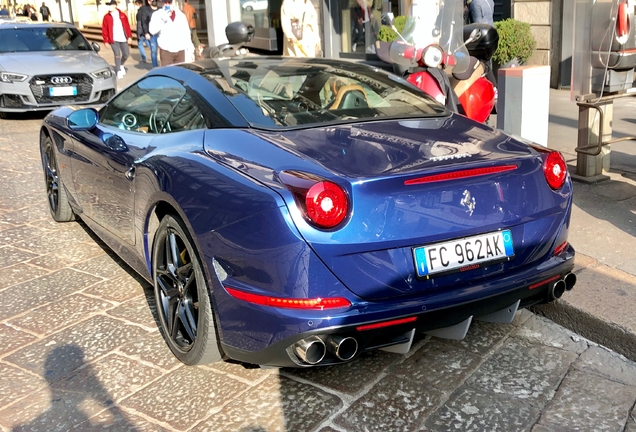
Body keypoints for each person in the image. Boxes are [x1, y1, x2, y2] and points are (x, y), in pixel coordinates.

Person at [149, 0, 193, 66]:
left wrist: (190, 48)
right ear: (162, 3)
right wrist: (163, 19)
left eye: (169, 2)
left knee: (180, 73)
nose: (167, 4)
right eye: (165, 2)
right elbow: (152, 30)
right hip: (166, 49)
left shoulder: (180, 15)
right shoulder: (157, 14)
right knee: (167, 73)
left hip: (180, 49)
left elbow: (186, 32)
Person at [101, 0, 132, 79]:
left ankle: (121, 65)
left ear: (115, 5)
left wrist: (129, 36)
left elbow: (127, 26)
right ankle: (118, 70)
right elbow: (104, 29)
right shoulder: (106, 17)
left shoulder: (122, 15)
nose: (109, 7)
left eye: (110, 5)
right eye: (108, 5)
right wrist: (106, 41)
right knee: (117, 54)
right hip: (113, 39)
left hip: (123, 38)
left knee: (126, 54)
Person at [134, 0, 153, 64]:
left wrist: (138, 33)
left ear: (139, 4)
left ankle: (144, 58)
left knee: (140, 44)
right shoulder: (147, 9)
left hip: (141, 30)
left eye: (136, 4)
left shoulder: (140, 11)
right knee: (148, 42)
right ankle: (154, 54)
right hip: (147, 29)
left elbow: (139, 22)